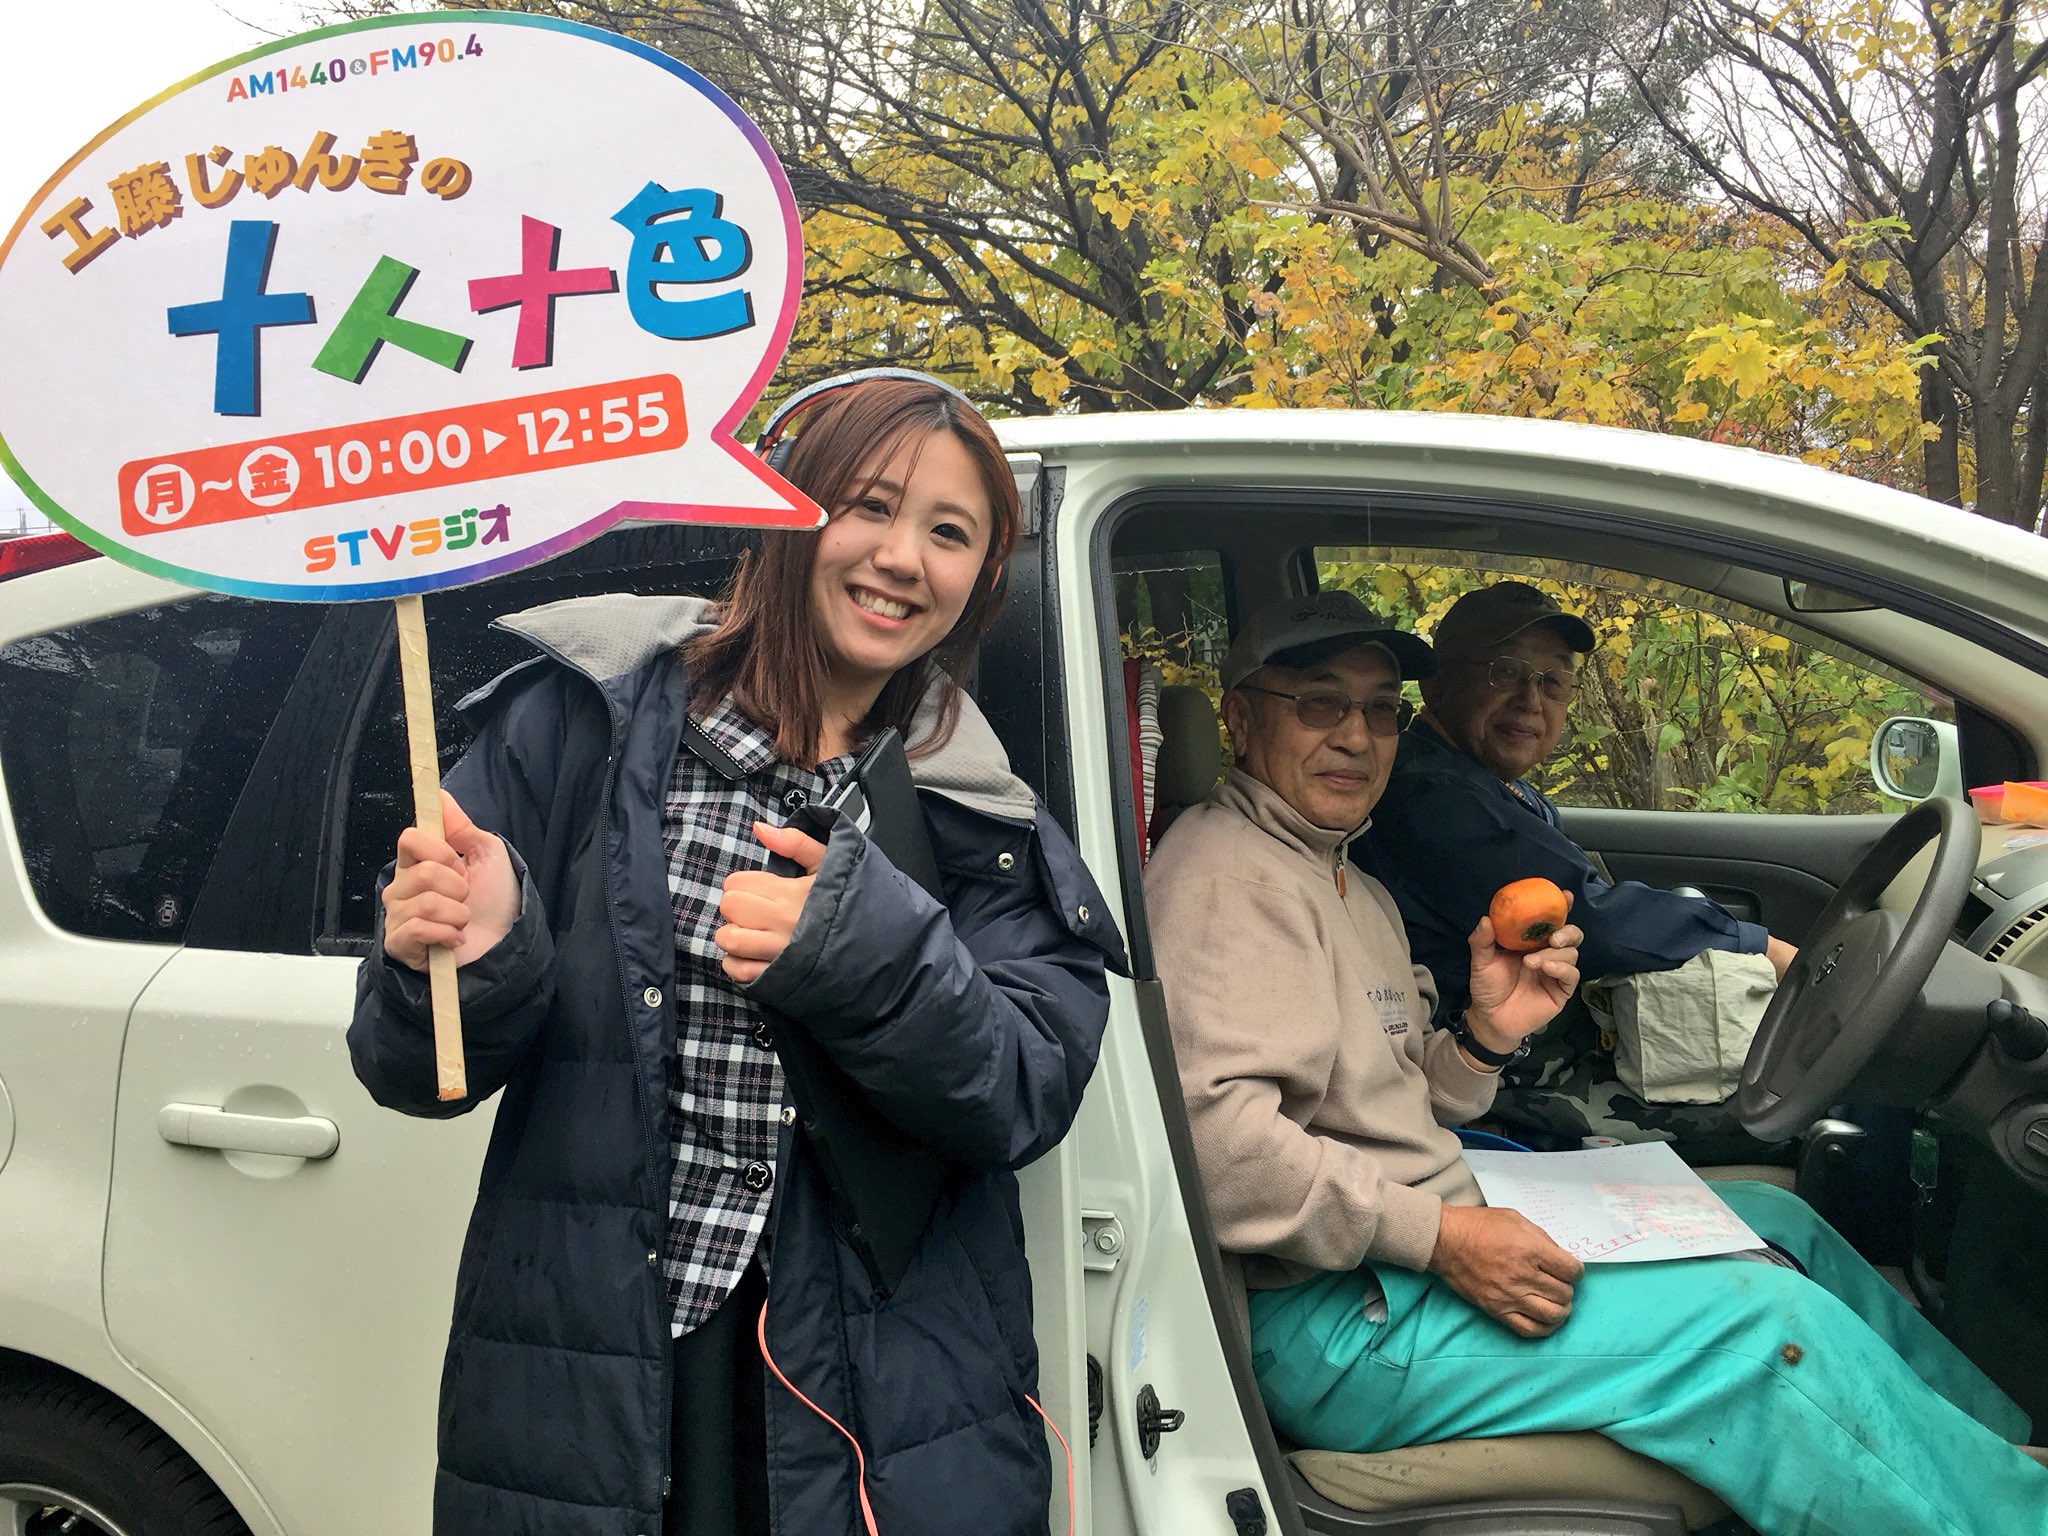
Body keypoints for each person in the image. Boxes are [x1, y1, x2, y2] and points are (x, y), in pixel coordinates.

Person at [349, 373, 1127, 1536]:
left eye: (950, 534)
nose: (902, 558)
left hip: (879, 1386)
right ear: (788, 510)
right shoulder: (577, 725)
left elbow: (1024, 1092)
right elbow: (413, 1071)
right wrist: (461, 957)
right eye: (869, 505)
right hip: (598, 1363)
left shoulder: (977, 809)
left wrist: (863, 950)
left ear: (976, 582)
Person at [1146, 590, 2045, 1536]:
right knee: (1760, 1325)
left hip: (1407, 1241)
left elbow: (1395, 1107)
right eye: (1319, 703)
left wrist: (1486, 1037)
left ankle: (1992, 1460)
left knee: (1782, 1221)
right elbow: (1214, 1147)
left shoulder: (1343, 875)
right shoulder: (1225, 882)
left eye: (1378, 709)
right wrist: (1442, 1239)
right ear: (1241, 719)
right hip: (1338, 1321)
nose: (1357, 736)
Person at [1364, 580, 1799, 1152]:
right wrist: (1763, 947)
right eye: (1504, 671)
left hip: (1548, 1040)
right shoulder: (1434, 797)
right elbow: (1592, 916)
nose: (1530, 699)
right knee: (1786, 1121)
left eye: (1552, 680)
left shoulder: (1486, 783)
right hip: (1501, 1078)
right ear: (1438, 681)